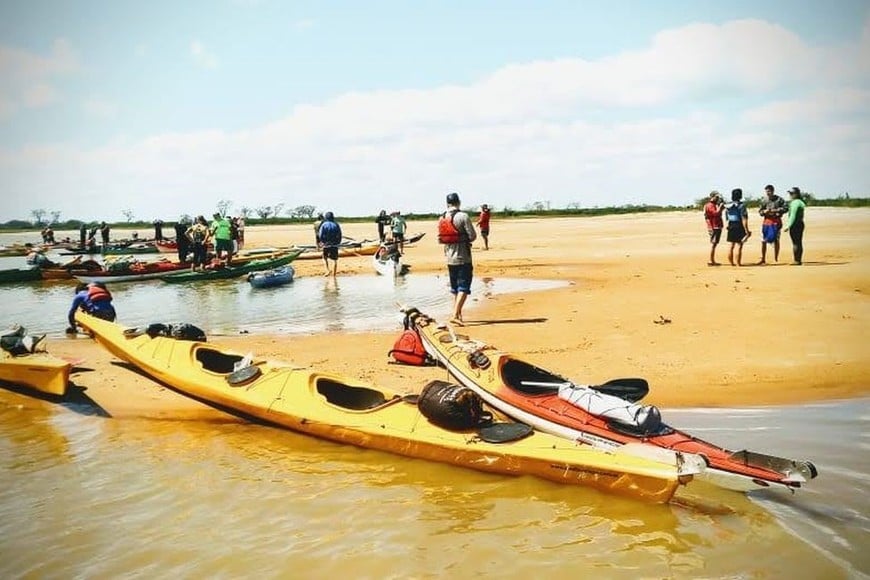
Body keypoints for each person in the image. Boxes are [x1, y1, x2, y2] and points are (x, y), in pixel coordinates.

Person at [438, 192, 477, 325]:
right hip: (463, 257)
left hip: (449, 257)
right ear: (458, 202)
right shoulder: (463, 216)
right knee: (464, 287)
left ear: (447, 203)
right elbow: (472, 236)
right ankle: (455, 314)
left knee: (455, 288)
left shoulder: (442, 217)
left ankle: (458, 314)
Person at [758, 184, 788, 264]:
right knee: (763, 241)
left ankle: (776, 259)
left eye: (769, 191)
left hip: (776, 222)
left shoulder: (779, 199)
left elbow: (786, 208)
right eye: (766, 191)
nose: (768, 193)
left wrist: (776, 210)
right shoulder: (764, 200)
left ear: (772, 191)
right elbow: (760, 211)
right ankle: (763, 258)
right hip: (766, 223)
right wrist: (764, 211)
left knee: (776, 240)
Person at [724, 188, 750, 267]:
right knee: (739, 245)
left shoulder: (728, 205)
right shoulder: (741, 205)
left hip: (731, 224)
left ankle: (731, 263)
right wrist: (747, 231)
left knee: (731, 245)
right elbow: (744, 219)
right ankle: (738, 263)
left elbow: (726, 217)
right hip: (739, 225)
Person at [782, 187, 806, 265]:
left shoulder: (795, 203)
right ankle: (798, 259)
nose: (790, 195)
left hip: (795, 225)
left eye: (792, 194)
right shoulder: (800, 202)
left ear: (796, 194)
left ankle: (797, 260)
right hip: (800, 223)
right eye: (790, 194)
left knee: (796, 243)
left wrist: (788, 225)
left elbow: (793, 215)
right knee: (798, 242)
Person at [318, 211, 342, 277]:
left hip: (326, 244)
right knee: (334, 260)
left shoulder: (324, 225)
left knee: (324, 257)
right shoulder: (336, 224)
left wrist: (322, 242)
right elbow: (340, 235)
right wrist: (338, 242)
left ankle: (327, 270)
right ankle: (334, 275)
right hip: (334, 244)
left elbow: (320, 235)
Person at [703, 191, 724, 265]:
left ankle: (712, 259)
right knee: (714, 243)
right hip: (714, 226)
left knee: (714, 243)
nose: (718, 198)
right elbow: (716, 213)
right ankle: (711, 260)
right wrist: (720, 207)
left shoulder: (709, 205)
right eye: (716, 197)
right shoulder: (710, 205)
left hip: (715, 225)